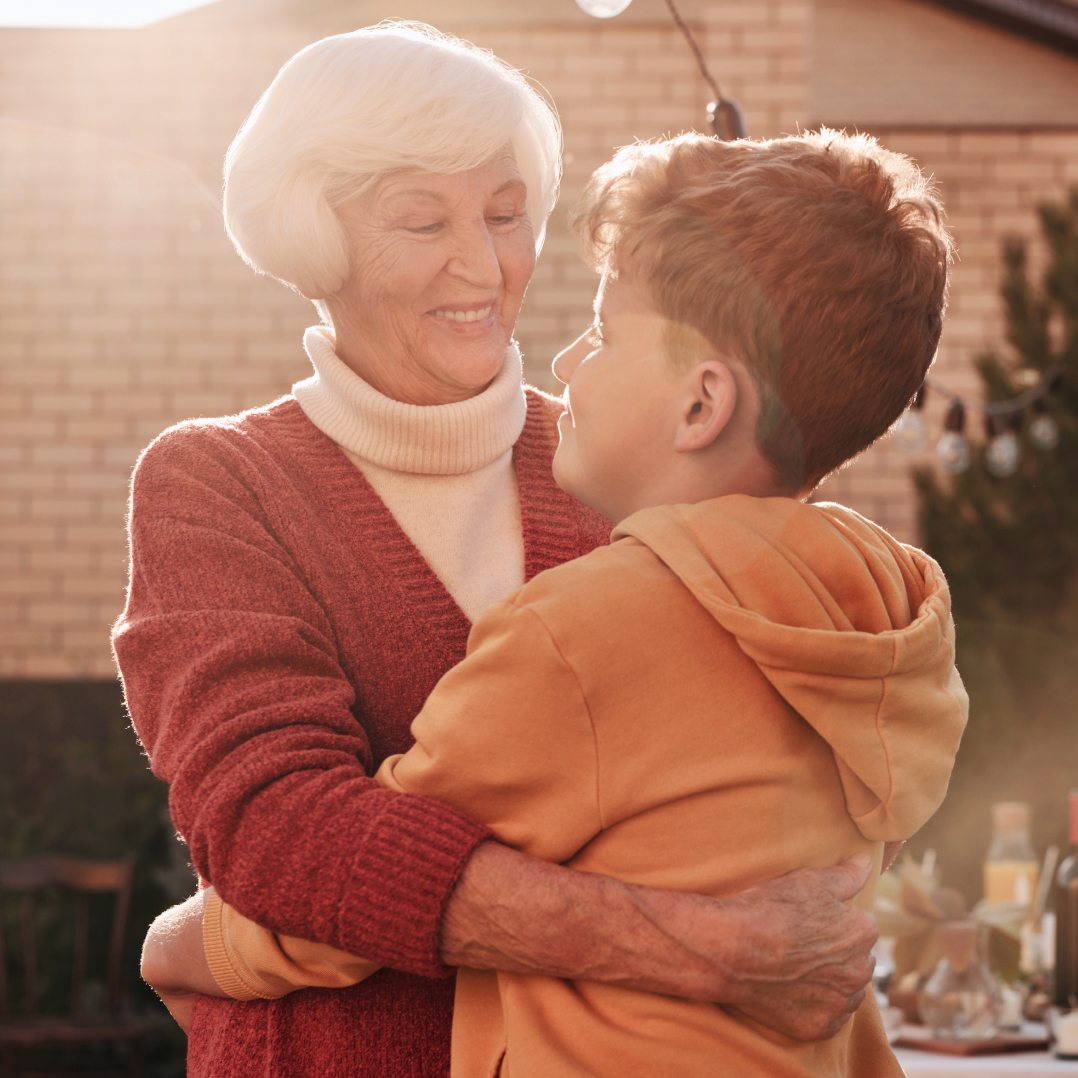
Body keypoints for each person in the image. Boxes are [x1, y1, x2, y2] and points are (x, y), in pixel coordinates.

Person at [116, 21, 882, 1078]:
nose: (481, 263)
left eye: (506, 213)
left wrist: (209, 942)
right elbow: (278, 827)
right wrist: (712, 949)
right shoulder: (216, 483)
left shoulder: (647, 460)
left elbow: (750, 795)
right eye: (421, 219)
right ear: (314, 234)